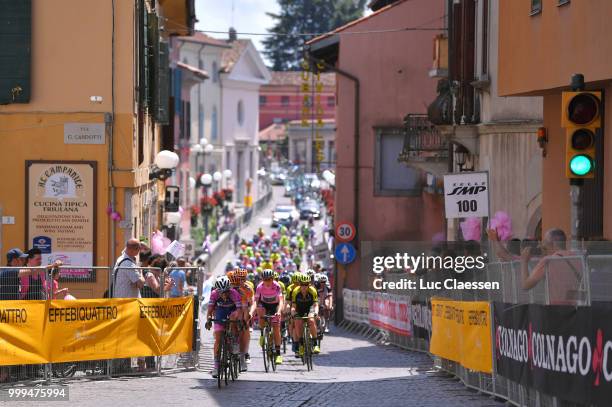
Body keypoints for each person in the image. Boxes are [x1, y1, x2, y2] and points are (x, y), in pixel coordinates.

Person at [520, 229, 580, 303]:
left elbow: (526, 286)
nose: (542, 245)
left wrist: (524, 261)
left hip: (555, 308)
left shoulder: (548, 260)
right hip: (575, 307)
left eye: (544, 242)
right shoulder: (577, 257)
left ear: (553, 244)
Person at [205, 276, 242, 378]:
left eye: (226, 291)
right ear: (217, 290)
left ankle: (234, 341)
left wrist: (237, 319)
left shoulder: (234, 293)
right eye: (221, 292)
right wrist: (208, 320)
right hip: (220, 310)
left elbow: (239, 310)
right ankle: (216, 366)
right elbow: (210, 310)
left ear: (229, 289)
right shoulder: (214, 294)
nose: (224, 294)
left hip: (232, 310)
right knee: (218, 337)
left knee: (233, 318)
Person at [255, 269, 284, 365]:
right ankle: (262, 334)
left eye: (269, 279)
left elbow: (281, 301)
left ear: (273, 279)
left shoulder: (277, 286)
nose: (267, 282)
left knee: (276, 328)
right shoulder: (259, 287)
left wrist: (279, 312)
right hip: (264, 304)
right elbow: (257, 301)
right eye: (265, 279)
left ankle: (278, 354)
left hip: (274, 306)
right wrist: (257, 312)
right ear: (262, 279)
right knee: (260, 310)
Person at [291, 273, 320, 356]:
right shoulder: (296, 291)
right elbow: (293, 306)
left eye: (306, 284)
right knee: (297, 322)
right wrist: (293, 313)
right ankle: (301, 344)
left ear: (309, 284)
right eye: (302, 284)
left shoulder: (312, 291)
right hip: (299, 308)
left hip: (309, 308)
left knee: (311, 320)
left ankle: (315, 344)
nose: (304, 286)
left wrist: (316, 313)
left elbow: (315, 305)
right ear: (299, 284)